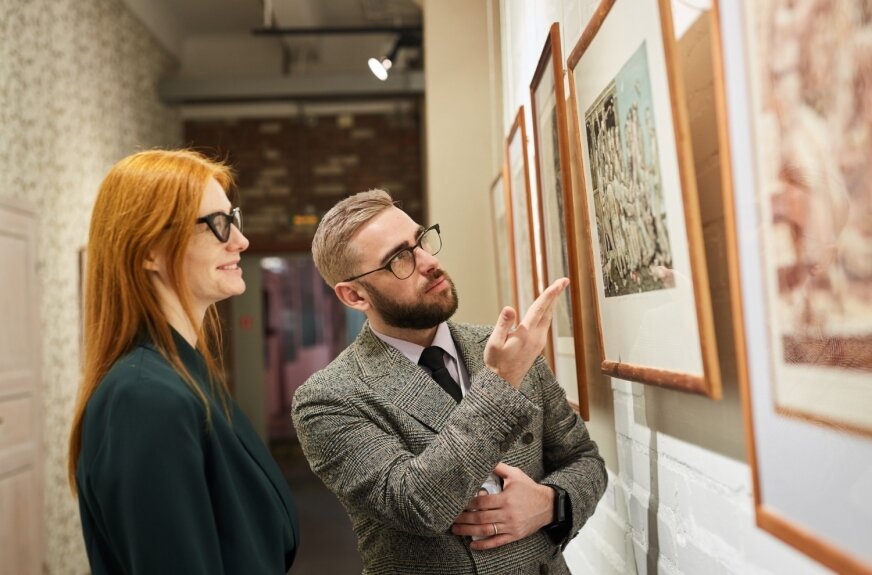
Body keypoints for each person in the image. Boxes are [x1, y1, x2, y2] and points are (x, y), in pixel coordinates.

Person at [292, 189, 606, 574]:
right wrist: (501, 381)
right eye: (399, 259)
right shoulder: (328, 397)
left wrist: (550, 503)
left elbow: (584, 460)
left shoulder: (505, 347)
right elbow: (418, 505)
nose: (429, 262)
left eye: (421, 242)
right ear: (354, 294)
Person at [68, 149, 299, 574]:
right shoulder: (144, 397)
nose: (241, 241)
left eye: (234, 218)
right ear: (149, 251)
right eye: (217, 225)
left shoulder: (183, 375)